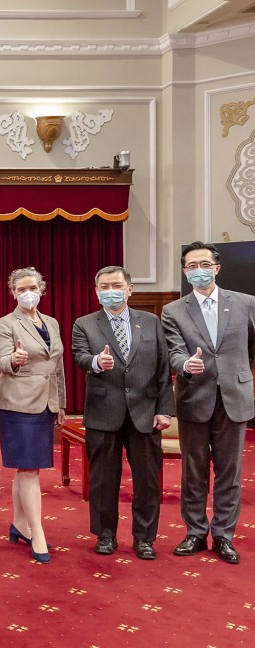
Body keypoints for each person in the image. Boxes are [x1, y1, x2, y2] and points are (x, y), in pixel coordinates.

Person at [161, 241, 255, 564]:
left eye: (204, 264)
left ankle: (224, 536)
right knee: (194, 472)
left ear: (217, 267)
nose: (198, 270)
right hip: (194, 397)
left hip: (234, 398)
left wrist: (235, 374)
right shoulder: (173, 310)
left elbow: (250, 349)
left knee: (230, 472)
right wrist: (186, 365)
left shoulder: (246, 304)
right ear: (185, 272)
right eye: (191, 266)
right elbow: (173, 351)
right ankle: (195, 533)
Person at [71, 265, 173, 560]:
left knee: (147, 480)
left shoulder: (151, 321)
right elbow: (79, 356)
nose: (110, 291)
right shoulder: (85, 323)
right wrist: (95, 362)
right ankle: (105, 535)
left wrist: (165, 410)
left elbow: (163, 368)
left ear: (129, 289)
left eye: (116, 285)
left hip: (146, 411)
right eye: (104, 286)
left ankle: (144, 538)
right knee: (103, 479)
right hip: (104, 411)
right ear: (96, 292)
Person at [0, 267, 66, 564]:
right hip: (17, 403)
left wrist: (60, 402)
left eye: (32, 287)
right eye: (21, 289)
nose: (28, 292)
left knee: (26, 468)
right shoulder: (6, 323)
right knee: (30, 470)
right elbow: (0, 360)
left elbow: (57, 365)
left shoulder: (51, 322)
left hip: (46, 402)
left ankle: (19, 524)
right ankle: (37, 532)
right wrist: (15, 359)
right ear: (13, 293)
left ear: (42, 289)